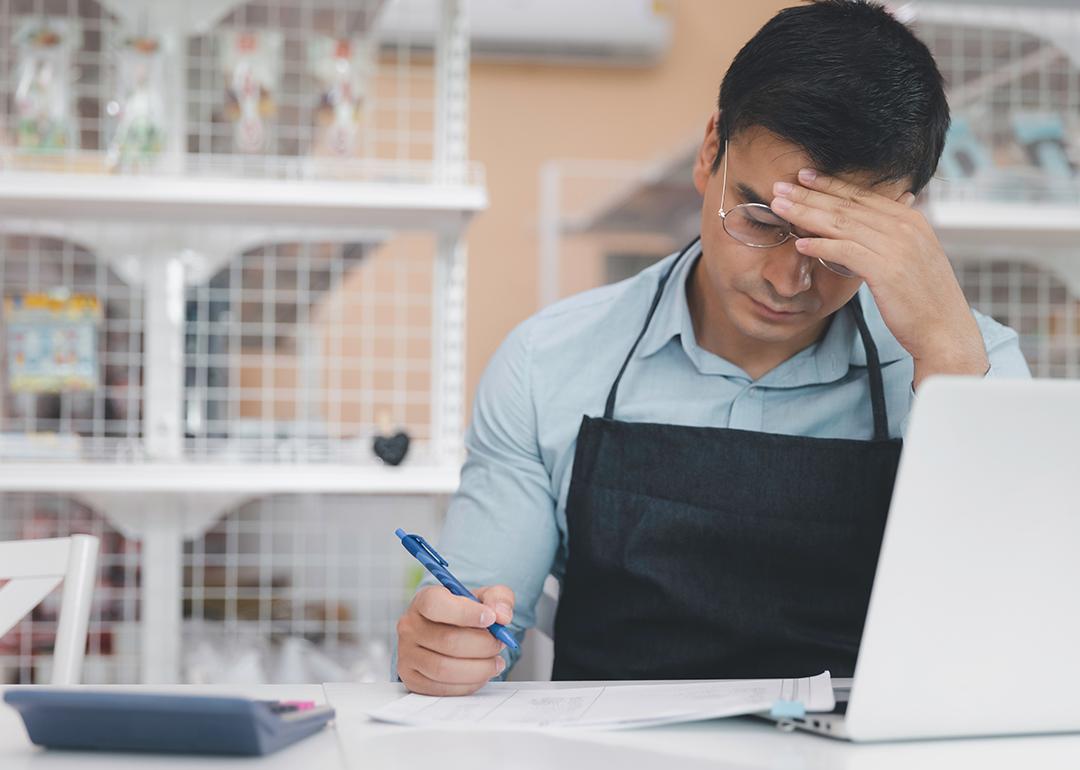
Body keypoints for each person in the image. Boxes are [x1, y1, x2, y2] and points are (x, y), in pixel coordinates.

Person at [395, 0, 1030, 695]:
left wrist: (947, 358)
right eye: (761, 218)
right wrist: (448, 649)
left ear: (905, 222)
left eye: (839, 247)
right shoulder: (547, 364)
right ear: (709, 154)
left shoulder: (974, 368)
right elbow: (483, 621)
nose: (790, 279)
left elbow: (1014, 630)